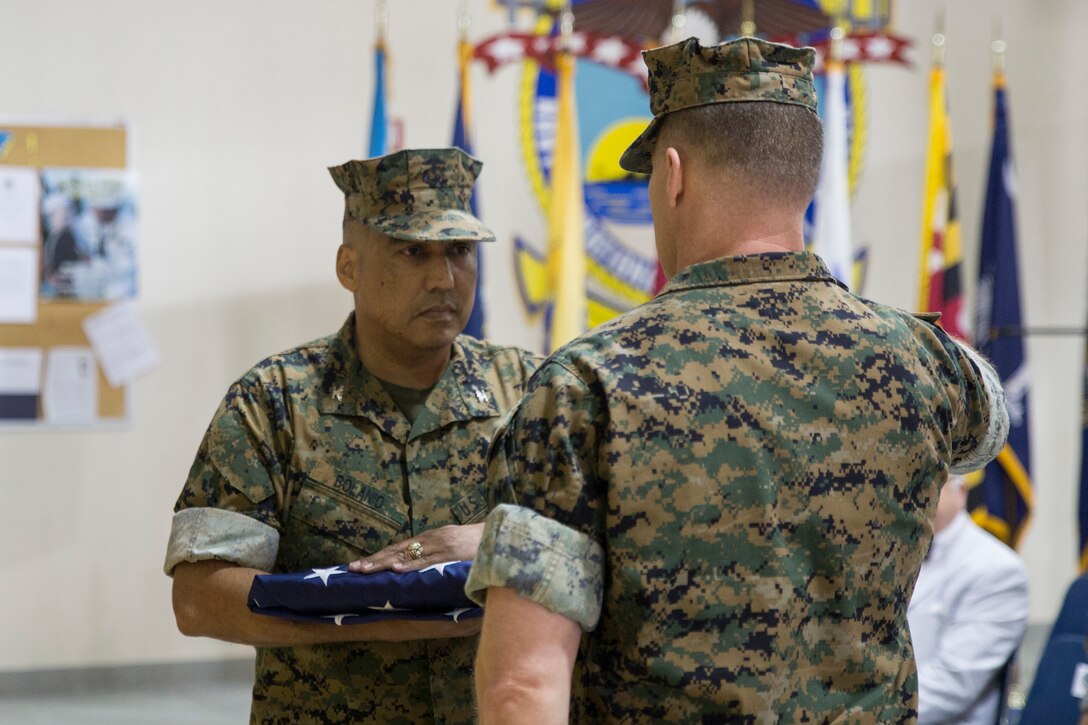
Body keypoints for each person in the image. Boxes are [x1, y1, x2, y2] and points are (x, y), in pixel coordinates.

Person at [466, 36, 1010, 723]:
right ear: (804, 179)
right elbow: (990, 421)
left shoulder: (586, 386)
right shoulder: (924, 361)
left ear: (673, 175)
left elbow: (523, 686)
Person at [165, 148, 539, 723]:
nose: (443, 278)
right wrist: (381, 611)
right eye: (413, 251)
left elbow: (607, 541)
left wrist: (497, 539)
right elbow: (199, 598)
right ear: (349, 267)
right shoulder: (275, 401)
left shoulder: (532, 390)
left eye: (460, 252)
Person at [907, 475, 1029, 724]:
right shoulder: (886, 553)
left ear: (960, 492)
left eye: (926, 480)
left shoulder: (998, 569)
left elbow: (953, 683)